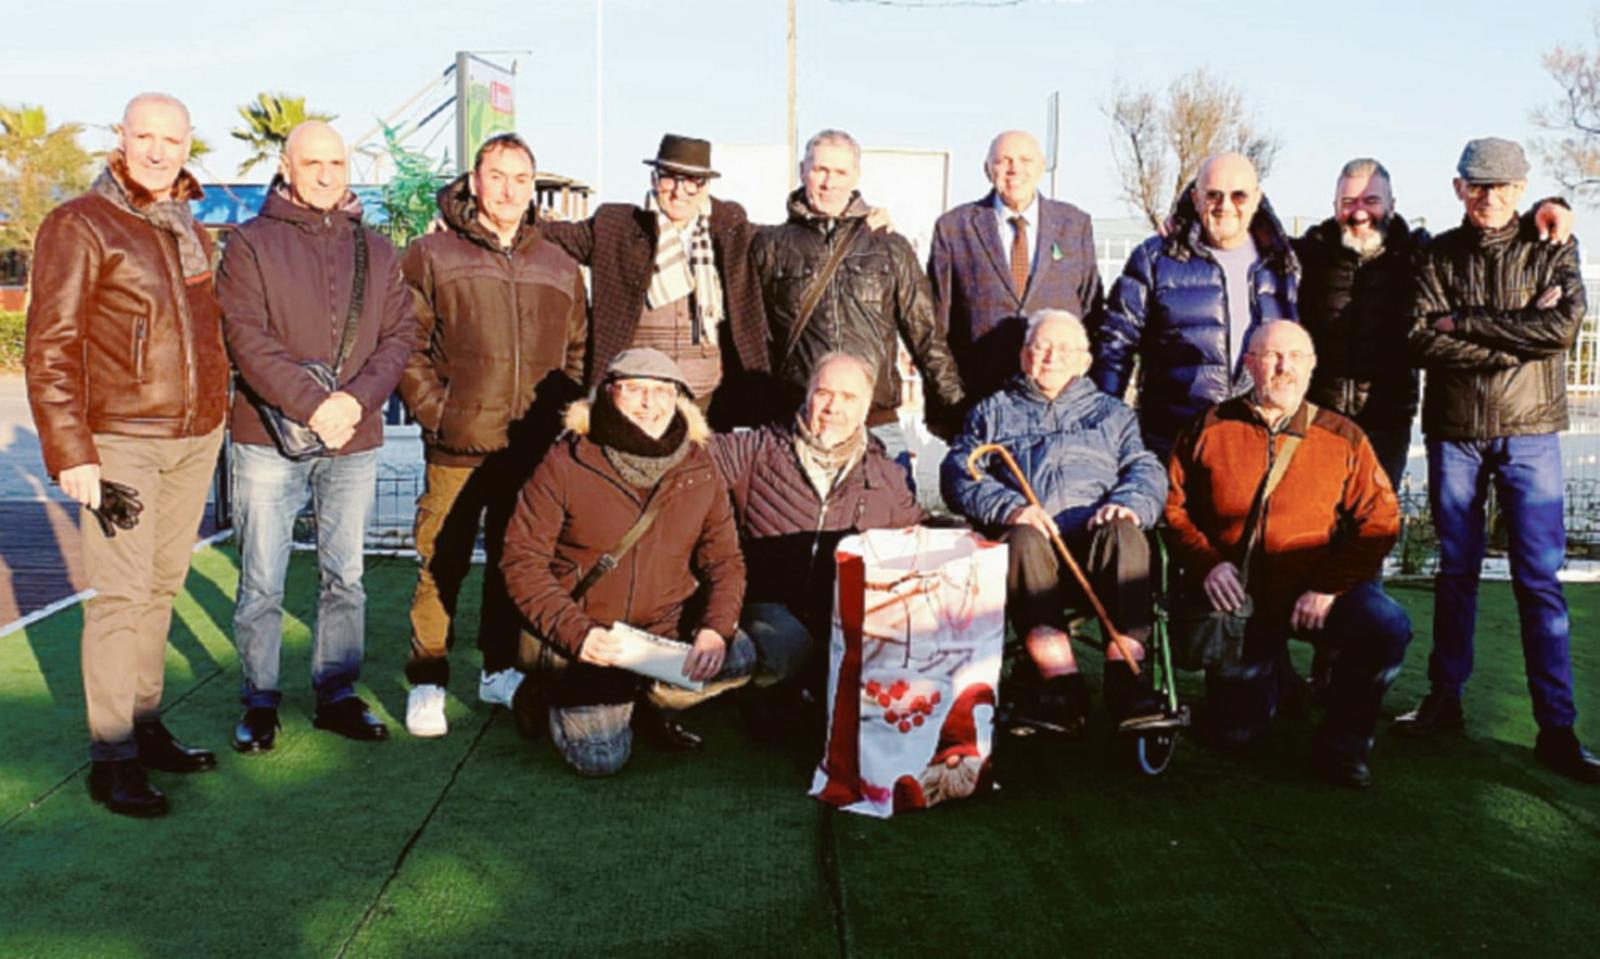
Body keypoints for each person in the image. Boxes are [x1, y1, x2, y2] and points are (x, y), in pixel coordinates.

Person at [25, 93, 230, 817]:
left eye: (170, 138)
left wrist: (219, 413)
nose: (156, 150)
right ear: (121, 136)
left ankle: (144, 724)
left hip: (194, 437)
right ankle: (111, 753)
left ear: (187, 143)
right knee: (118, 597)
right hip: (119, 442)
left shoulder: (189, 227)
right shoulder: (79, 223)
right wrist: (70, 449)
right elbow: (49, 347)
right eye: (143, 135)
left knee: (160, 588)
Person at [1395, 137, 1598, 784]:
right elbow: (1418, 337)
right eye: (1477, 185)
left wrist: (1467, 323)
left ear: (1522, 187)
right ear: (1459, 188)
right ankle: (1445, 700)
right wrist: (1512, 337)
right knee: (1455, 571)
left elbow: (1562, 330)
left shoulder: (1550, 244)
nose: (1489, 197)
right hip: (1455, 431)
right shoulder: (1435, 254)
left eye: (1502, 186)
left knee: (1538, 579)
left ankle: (1557, 729)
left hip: (1531, 430)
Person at [217, 121, 415, 752]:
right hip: (267, 436)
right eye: (313, 163)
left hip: (353, 439)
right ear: (286, 165)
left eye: (337, 162)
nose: (327, 174)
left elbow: (399, 338)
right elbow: (245, 337)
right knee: (262, 579)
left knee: (345, 576)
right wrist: (312, 404)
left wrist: (354, 402)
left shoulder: (377, 250)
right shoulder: (248, 244)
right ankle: (260, 698)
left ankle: (337, 693)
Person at [397, 133, 587, 738]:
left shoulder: (558, 264)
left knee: (514, 561)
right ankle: (428, 678)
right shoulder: (431, 254)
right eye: (497, 176)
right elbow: (407, 344)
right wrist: (440, 413)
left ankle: (498, 667)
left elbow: (578, 351)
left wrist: (558, 422)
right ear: (475, 182)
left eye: (520, 178)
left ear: (533, 187)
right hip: (458, 443)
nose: (508, 190)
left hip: (530, 449)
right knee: (441, 560)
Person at [1165, 320, 1411, 788]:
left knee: (1386, 626)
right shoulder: (1210, 428)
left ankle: (1345, 746)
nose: (1284, 367)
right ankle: (1278, 681)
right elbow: (1172, 509)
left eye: (1296, 357)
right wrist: (1207, 562)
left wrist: (1328, 586)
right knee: (1235, 735)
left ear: (1312, 366)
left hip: (1315, 595)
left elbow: (1381, 523)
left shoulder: (1343, 436)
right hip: (1240, 602)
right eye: (1272, 356)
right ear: (1249, 364)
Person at [501, 349, 752, 776]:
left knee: (742, 654)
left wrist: (714, 628)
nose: (649, 403)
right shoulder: (566, 462)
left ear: (679, 399)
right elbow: (521, 561)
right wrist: (578, 634)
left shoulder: (700, 464)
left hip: (663, 633)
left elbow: (725, 559)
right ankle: (543, 691)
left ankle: (650, 700)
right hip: (590, 639)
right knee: (602, 760)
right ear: (609, 393)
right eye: (635, 389)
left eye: (662, 391)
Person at [943, 309, 1166, 736]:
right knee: (1022, 539)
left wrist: (1128, 503)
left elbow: (1145, 467)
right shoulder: (994, 410)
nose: (1051, 357)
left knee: (1125, 533)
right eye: (1041, 346)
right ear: (1024, 355)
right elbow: (959, 470)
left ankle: (1127, 680)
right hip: (1032, 551)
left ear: (1085, 361)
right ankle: (1059, 683)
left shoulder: (1112, 414)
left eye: (1065, 349)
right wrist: (1009, 506)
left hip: (1098, 541)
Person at [1295, 158, 1574, 489]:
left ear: (1392, 205)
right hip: (1318, 417)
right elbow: (1254, 220)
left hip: (1387, 420)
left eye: (1371, 201)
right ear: (1334, 206)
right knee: (1314, 526)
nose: (1359, 213)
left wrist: (1548, 209)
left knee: (1376, 525)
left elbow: (1484, 237)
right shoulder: (1308, 254)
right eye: (1348, 202)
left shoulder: (1418, 253)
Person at [706, 352, 923, 725]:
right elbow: (686, 458)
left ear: (867, 407)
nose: (834, 406)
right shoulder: (756, 449)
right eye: (824, 393)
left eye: (849, 397)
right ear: (807, 396)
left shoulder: (887, 475)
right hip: (768, 607)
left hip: (843, 616)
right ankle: (759, 687)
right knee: (784, 646)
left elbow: (916, 544)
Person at [751, 128, 966, 462]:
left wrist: (957, 414)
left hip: (875, 423)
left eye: (840, 172)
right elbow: (753, 336)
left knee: (890, 511)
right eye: (820, 170)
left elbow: (927, 336)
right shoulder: (769, 246)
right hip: (799, 423)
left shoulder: (889, 245)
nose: (829, 182)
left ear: (856, 176)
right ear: (802, 171)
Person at [540, 134, 769, 429]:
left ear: (706, 188)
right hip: (636, 396)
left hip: (707, 398)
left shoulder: (730, 230)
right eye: (669, 179)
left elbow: (788, 247)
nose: (679, 192)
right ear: (653, 179)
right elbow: (547, 234)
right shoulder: (616, 227)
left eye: (692, 181)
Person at [1091, 152, 1298, 461]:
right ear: (1195, 198)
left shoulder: (1285, 265)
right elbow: (1115, 346)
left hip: (1257, 445)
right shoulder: (1156, 258)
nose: (1225, 206)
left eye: (1238, 196)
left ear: (1257, 199)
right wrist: (1104, 430)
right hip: (1173, 441)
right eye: (1213, 195)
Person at [928, 130, 1104, 406]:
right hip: (980, 399)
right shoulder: (954, 227)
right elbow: (936, 324)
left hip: (1058, 399)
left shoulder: (1074, 224)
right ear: (988, 169)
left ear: (1041, 167)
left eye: (1026, 160)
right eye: (1003, 160)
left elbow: (1092, 313)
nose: (1015, 169)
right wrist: (950, 401)